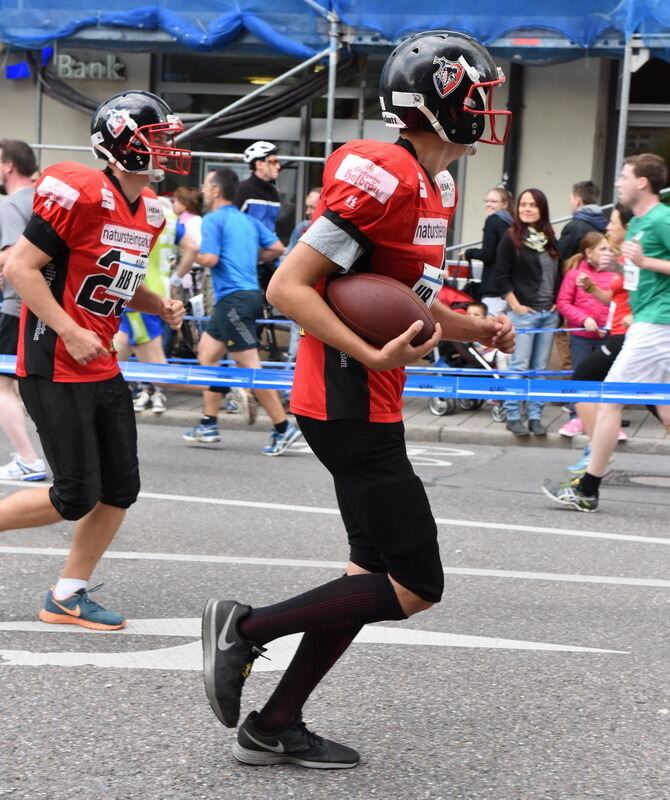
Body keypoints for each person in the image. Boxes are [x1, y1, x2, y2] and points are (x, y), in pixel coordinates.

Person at [201, 29, 514, 769]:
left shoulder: (434, 185)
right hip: (344, 398)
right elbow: (289, 287)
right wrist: (372, 352)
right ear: (440, 101)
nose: (488, 107)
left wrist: (477, 328)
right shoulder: (384, 173)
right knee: (416, 583)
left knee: (365, 575)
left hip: (369, 398)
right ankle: (243, 631)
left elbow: (401, 300)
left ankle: (274, 723)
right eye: (479, 94)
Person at [0, 91, 189, 628]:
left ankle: (67, 594)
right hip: (55, 360)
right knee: (73, 495)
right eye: (157, 140)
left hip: (100, 362)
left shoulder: (150, 209)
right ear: (124, 144)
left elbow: (112, 282)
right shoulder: (80, 191)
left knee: (119, 490)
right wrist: (68, 329)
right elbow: (20, 268)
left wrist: (159, 304)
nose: (167, 150)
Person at [543, 153, 670, 512]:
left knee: (610, 397)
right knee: (665, 410)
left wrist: (645, 262)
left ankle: (587, 487)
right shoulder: (642, 224)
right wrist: (627, 266)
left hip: (658, 324)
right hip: (651, 321)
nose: (618, 183)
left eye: (624, 176)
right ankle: (587, 486)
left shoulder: (661, 218)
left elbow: (655, 265)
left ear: (642, 183)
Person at [182, 167, 302, 456]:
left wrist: (186, 249)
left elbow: (209, 258)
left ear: (216, 191)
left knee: (249, 366)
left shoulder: (212, 220)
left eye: (206, 183)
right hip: (241, 297)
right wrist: (249, 257)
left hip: (234, 297)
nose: (202, 187)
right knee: (207, 353)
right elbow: (277, 247)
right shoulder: (247, 221)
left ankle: (283, 426)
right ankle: (209, 422)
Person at [495, 188, 561, 436]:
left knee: (539, 368)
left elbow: (558, 274)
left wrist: (556, 301)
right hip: (524, 313)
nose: (527, 208)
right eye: (523, 204)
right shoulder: (510, 237)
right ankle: (513, 415)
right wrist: (516, 306)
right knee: (520, 367)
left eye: (533, 204)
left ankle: (535, 416)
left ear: (542, 208)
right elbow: (501, 276)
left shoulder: (550, 238)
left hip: (548, 313)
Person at [0, 140, 47, 481]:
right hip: (53, 306)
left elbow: (14, 257)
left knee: (1, 386)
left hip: (20, 305)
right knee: (31, 385)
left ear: (8, 166)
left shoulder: (11, 205)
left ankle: (29, 459)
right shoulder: (49, 200)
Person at [115, 194, 178, 415]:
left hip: (139, 293)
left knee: (158, 369)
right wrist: (177, 276)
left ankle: (222, 388)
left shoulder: (143, 211)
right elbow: (190, 246)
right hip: (156, 288)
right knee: (117, 347)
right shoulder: (169, 214)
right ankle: (101, 392)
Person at [236, 141, 282, 291]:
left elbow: (272, 228)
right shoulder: (243, 189)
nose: (278, 166)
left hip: (267, 262)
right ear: (259, 164)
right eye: (273, 161)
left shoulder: (274, 193)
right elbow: (232, 226)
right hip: (244, 264)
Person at [459, 186, 514, 315]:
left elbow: (488, 254)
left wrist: (468, 253)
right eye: (487, 201)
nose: (488, 204)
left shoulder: (493, 220)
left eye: (493, 201)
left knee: (489, 330)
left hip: (493, 287)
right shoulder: (513, 224)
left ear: (505, 204)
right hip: (510, 290)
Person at [556, 180, 608, 261]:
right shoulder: (605, 225)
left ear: (578, 202)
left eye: (570, 199)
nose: (570, 203)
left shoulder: (573, 227)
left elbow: (559, 256)